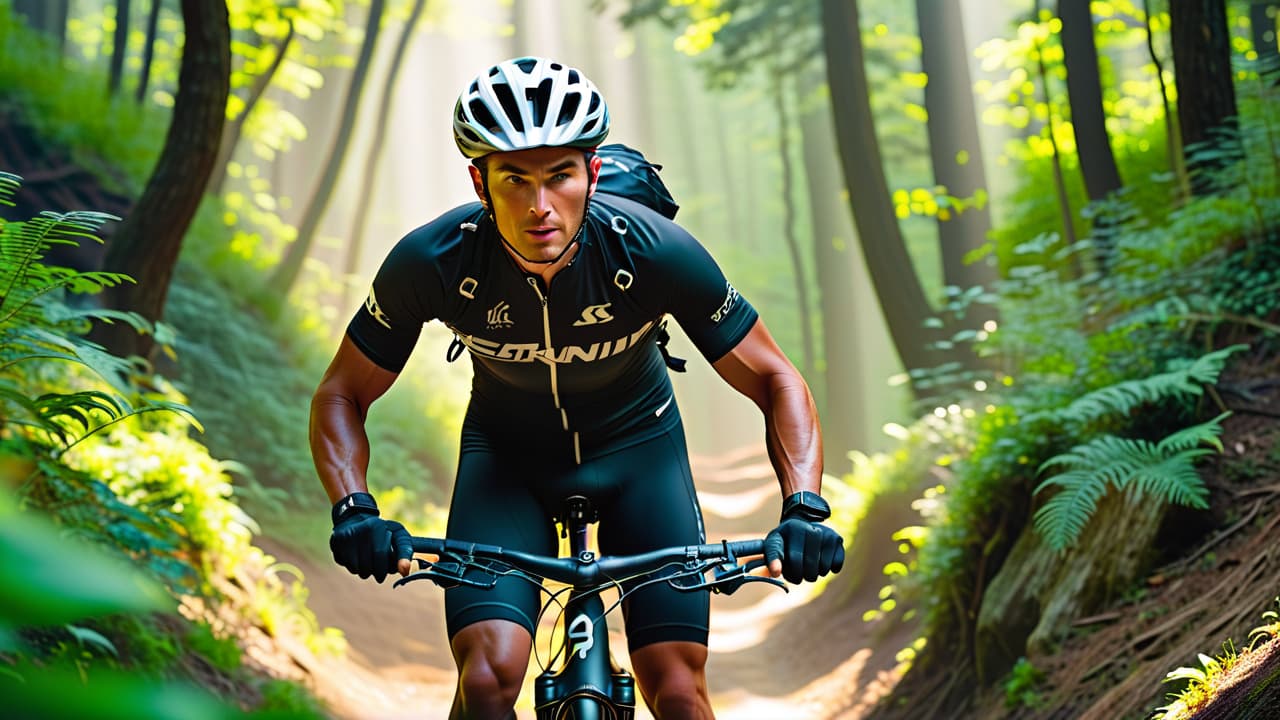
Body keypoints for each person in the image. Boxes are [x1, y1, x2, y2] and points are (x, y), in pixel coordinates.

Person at [310, 56, 844, 719]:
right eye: (514, 180)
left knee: (676, 688)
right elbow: (341, 394)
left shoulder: (653, 250)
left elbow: (774, 377)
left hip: (640, 450)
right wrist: (354, 507)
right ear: (479, 181)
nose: (540, 207)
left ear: (591, 174)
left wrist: (805, 509)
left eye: (560, 175)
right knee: (487, 679)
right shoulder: (434, 261)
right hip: (507, 462)